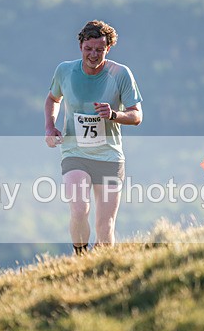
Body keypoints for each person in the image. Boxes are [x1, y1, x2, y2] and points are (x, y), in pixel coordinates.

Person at [44, 20, 143, 254]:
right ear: (80, 46)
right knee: (79, 210)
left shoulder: (121, 74)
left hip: (108, 155)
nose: (93, 54)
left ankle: (102, 268)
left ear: (108, 49)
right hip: (74, 152)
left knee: (104, 225)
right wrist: (50, 127)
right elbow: (52, 99)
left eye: (99, 49)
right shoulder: (65, 71)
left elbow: (137, 116)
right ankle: (81, 258)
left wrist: (114, 114)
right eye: (89, 49)